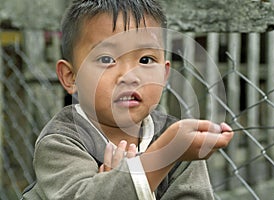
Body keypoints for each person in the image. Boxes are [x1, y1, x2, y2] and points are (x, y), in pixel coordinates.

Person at [22, 0, 234, 199]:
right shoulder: (62, 141)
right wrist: (162, 156)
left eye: (145, 59)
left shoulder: (179, 142)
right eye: (106, 59)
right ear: (71, 76)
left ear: (164, 74)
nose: (129, 76)